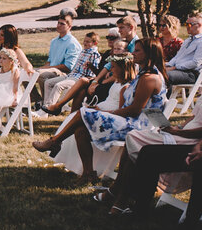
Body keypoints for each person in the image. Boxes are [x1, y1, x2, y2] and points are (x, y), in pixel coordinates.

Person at [33, 39, 167, 184]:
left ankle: (55, 141)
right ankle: (88, 173)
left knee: (84, 113)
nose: (133, 53)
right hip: (129, 121)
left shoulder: (149, 78)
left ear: (150, 54)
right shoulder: (143, 75)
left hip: (137, 126)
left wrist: (109, 113)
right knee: (80, 128)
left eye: (138, 50)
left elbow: (134, 110)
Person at [96, 94, 202, 216]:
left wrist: (177, 132)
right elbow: (193, 117)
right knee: (136, 139)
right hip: (182, 133)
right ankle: (120, 195)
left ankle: (119, 195)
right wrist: (178, 127)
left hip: (191, 140)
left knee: (135, 138)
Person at [41, 32, 101, 109]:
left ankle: (49, 108)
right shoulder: (83, 51)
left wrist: (90, 66)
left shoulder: (95, 54)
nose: (85, 43)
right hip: (71, 75)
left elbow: (93, 73)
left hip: (79, 78)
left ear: (95, 43)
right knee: (48, 83)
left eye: (88, 42)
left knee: (58, 86)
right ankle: (46, 106)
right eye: (84, 41)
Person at [32, 14, 81, 102]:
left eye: (62, 24)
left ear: (69, 26)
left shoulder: (72, 43)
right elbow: (50, 61)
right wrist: (42, 68)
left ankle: (46, 102)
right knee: (27, 73)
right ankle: (37, 100)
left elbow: (68, 67)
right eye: (58, 23)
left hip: (64, 73)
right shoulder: (54, 41)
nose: (58, 25)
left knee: (41, 75)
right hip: (52, 70)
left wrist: (46, 69)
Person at [166, 13, 202, 86]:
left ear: (199, 25)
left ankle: (163, 97)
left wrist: (175, 67)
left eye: (189, 24)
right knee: (153, 72)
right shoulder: (187, 40)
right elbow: (177, 57)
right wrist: (167, 66)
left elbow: (195, 63)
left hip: (191, 73)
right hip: (179, 71)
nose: (187, 27)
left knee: (165, 75)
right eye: (186, 24)